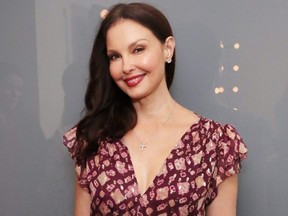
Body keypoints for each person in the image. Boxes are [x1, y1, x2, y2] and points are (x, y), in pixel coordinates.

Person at [63, 2, 248, 215]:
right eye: (115, 56)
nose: (126, 66)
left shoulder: (215, 142)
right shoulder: (93, 138)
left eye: (138, 49)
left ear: (167, 48)